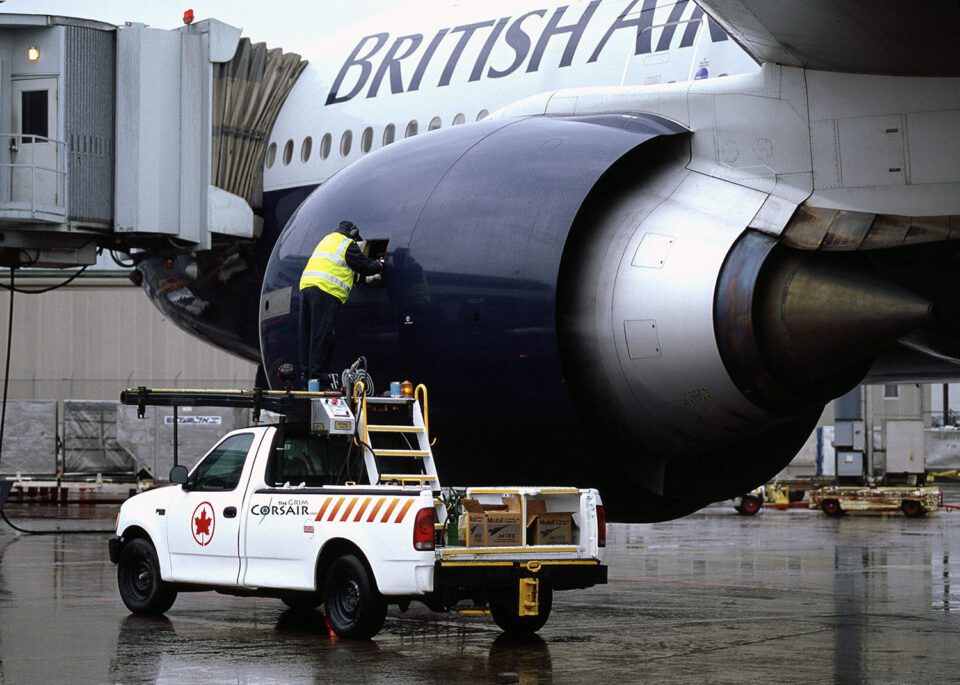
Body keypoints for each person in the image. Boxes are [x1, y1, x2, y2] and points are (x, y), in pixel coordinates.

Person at [298, 220, 383, 387]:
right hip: (325, 291)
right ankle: (318, 377)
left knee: (307, 334)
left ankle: (306, 377)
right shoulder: (347, 244)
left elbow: (342, 270)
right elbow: (365, 265)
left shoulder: (327, 240)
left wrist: (365, 279)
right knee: (322, 335)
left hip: (306, 288)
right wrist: (379, 264)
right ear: (352, 233)